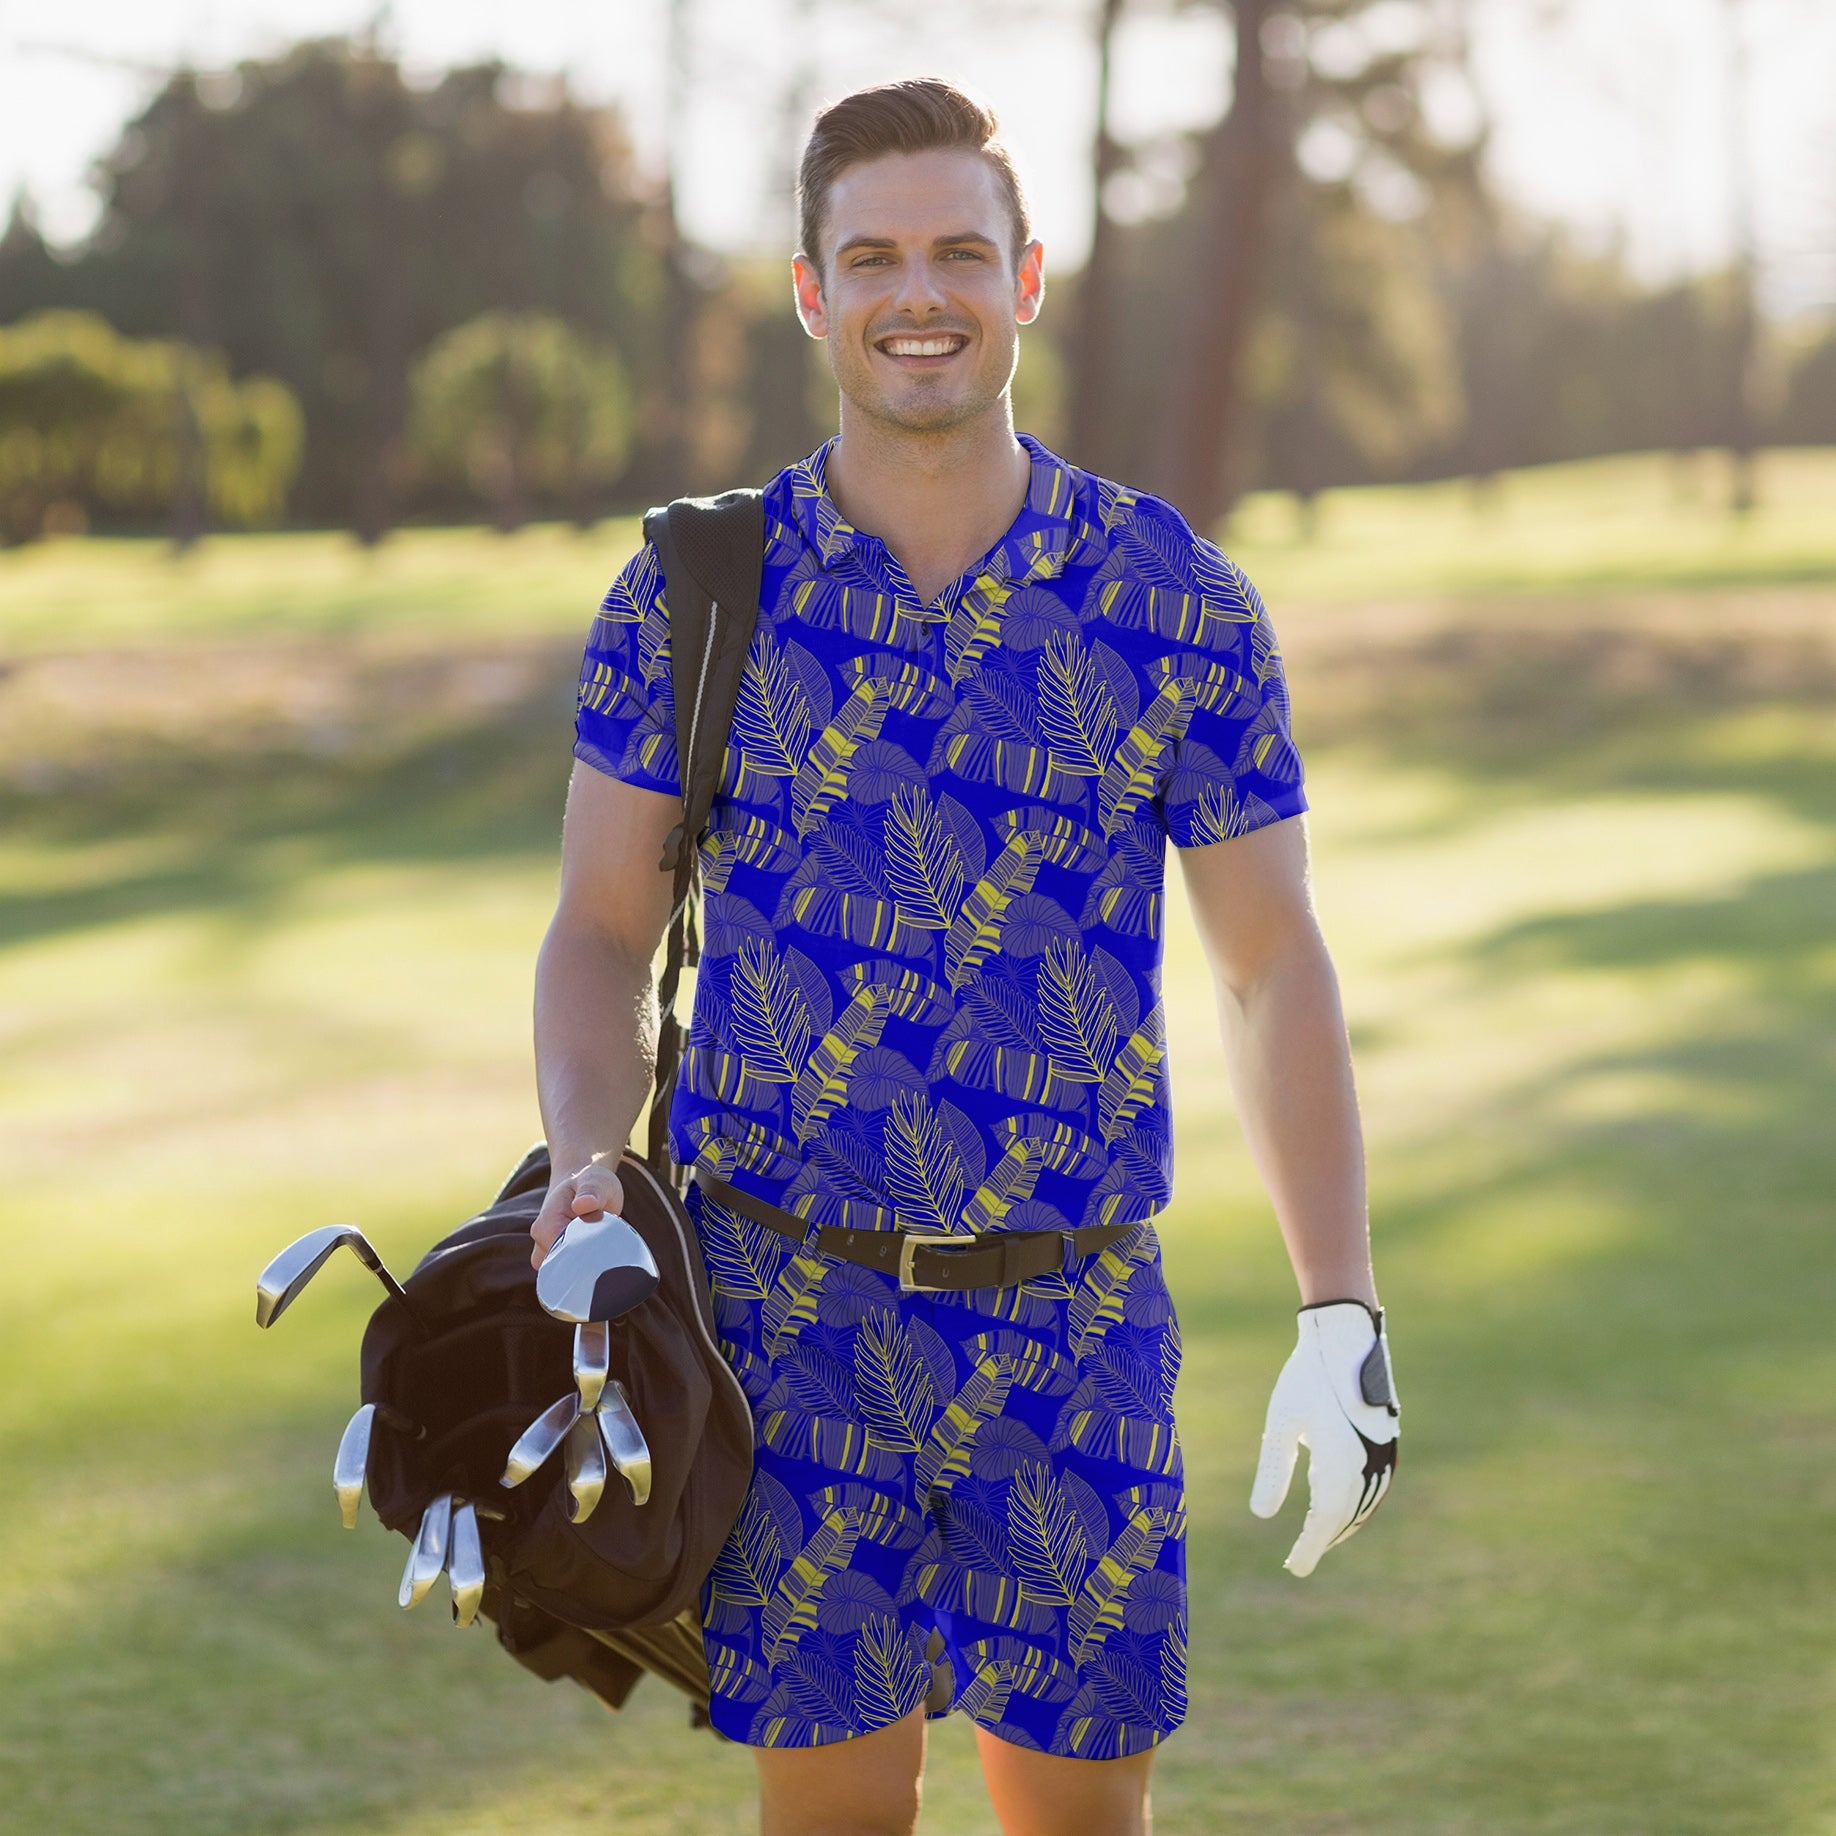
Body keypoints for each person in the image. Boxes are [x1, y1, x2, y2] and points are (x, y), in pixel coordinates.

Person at [531, 77, 1396, 1836]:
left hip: (1074, 1316)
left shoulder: (1175, 597)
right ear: (809, 291)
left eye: (956, 252)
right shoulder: (701, 591)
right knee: (835, 1817)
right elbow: (602, 928)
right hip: (783, 1321)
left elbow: (1268, 967)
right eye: (873, 257)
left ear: (1029, 277)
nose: (916, 291)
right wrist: (584, 1159)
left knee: (1080, 1819)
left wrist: (1342, 1308)